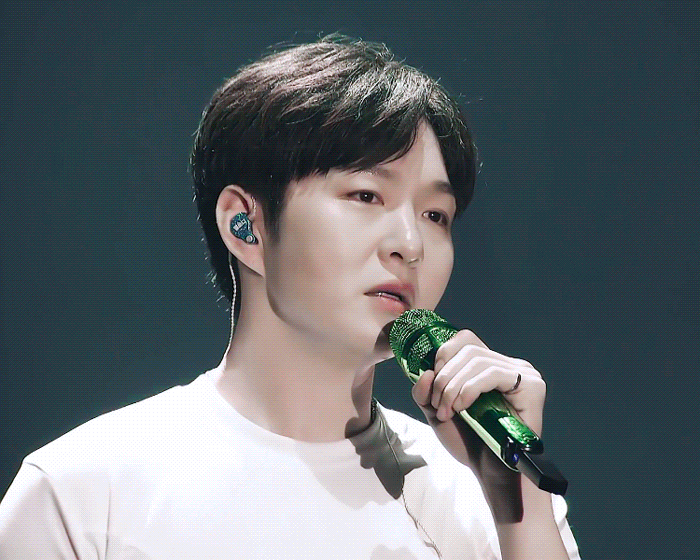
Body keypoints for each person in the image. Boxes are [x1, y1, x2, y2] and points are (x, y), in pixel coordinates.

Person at [0, 35, 580, 559]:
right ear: (246, 227)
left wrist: (517, 505)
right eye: (365, 195)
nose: (410, 244)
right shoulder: (84, 493)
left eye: (435, 215)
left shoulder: (490, 498)